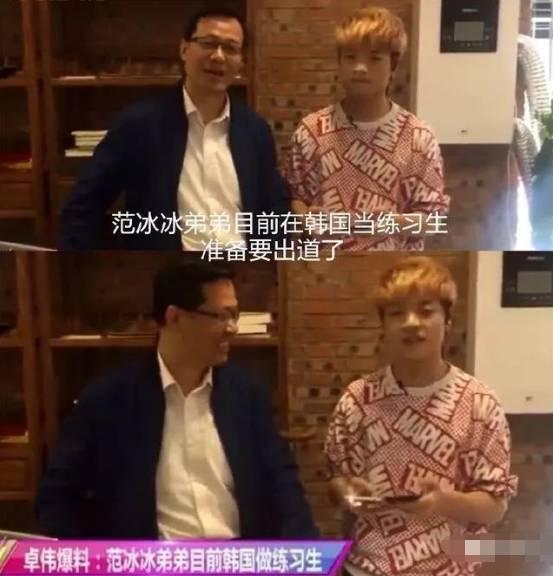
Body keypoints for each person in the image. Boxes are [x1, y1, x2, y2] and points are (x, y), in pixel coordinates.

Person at [36, 261, 318, 539]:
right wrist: (98, 559)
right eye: (221, 316)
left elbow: (284, 484)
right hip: (152, 559)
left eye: (235, 314)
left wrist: (311, 554)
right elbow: (56, 498)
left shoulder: (247, 394)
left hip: (237, 556)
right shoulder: (108, 400)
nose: (232, 328)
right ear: (174, 318)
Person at [325, 256, 517, 576]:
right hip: (367, 567)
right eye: (397, 313)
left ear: (447, 321)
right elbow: (336, 483)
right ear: (384, 326)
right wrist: (348, 492)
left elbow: (495, 507)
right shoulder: (357, 400)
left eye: (426, 311)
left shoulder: (480, 403)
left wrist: (444, 501)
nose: (411, 323)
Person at [59, 4, 289, 250]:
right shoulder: (139, 124)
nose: (219, 56)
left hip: (242, 263)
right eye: (209, 43)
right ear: (184, 49)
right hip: (170, 265)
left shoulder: (255, 131)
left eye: (231, 48)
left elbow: (274, 212)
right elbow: (83, 206)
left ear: (242, 61)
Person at [285, 7, 450, 251]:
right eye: (351, 57)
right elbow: (295, 197)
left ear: (393, 66)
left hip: (394, 261)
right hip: (325, 262)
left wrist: (373, 224)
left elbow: (432, 220)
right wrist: (307, 218)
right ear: (339, 63)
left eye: (374, 58)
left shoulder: (419, 137)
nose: (360, 68)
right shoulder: (311, 131)